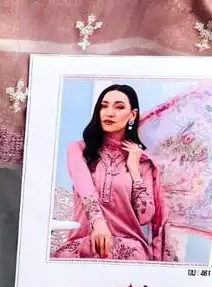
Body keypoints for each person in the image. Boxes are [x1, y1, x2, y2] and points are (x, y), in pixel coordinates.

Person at [52, 84, 176, 262]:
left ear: (132, 115)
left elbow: (144, 216)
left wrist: (134, 170)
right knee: (66, 256)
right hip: (84, 242)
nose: (109, 113)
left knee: (126, 256)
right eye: (104, 106)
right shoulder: (79, 150)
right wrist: (99, 224)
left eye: (119, 107)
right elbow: (84, 187)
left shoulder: (142, 162)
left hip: (129, 247)